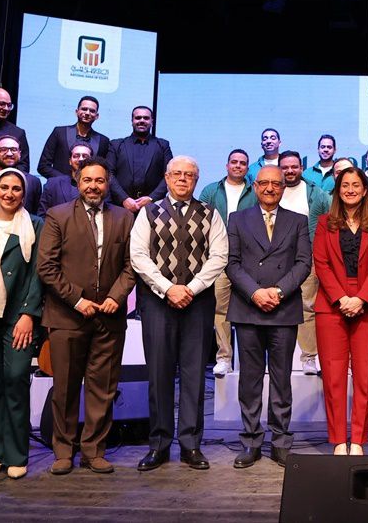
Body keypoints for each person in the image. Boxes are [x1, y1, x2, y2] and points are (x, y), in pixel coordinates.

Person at [36, 156, 136, 475]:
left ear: (108, 184)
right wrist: (77, 300)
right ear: (78, 182)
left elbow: (132, 264)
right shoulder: (58, 215)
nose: (94, 186)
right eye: (88, 180)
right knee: (65, 388)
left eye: (100, 180)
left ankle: (94, 450)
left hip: (109, 318)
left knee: (102, 388)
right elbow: (46, 267)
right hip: (67, 316)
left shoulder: (124, 217)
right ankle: (63, 451)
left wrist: (116, 297)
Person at [131, 156, 229, 471]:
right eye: (177, 174)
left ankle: (190, 445)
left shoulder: (210, 213)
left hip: (197, 304)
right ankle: (159, 445)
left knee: (194, 376)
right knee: (159, 375)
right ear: (167, 177)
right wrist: (168, 288)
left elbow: (219, 256)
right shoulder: (148, 212)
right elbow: (138, 255)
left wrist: (191, 288)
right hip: (158, 303)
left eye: (189, 175)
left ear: (196, 180)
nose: (183, 179)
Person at [225, 165, 312, 468]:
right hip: (248, 307)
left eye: (276, 183)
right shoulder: (237, 218)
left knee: (281, 379)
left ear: (284, 188)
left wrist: (278, 291)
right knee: (249, 380)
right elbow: (232, 263)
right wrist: (255, 293)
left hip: (283, 308)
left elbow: (303, 263)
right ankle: (250, 441)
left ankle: (280, 441)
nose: (270, 188)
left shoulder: (298, 221)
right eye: (264, 183)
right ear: (255, 186)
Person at [312, 167, 368, 455]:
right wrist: (341, 298)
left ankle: (357, 439)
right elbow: (321, 263)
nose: (350, 190)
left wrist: (361, 299)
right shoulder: (325, 222)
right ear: (338, 190)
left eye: (356, 185)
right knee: (333, 376)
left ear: (365, 189)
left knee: (364, 375)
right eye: (345, 185)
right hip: (332, 303)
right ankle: (338, 440)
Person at [0, 168, 44, 480]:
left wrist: (29, 314)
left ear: (24, 194)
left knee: (16, 380)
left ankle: (16, 454)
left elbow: (39, 274)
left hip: (18, 318)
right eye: (4, 187)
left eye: (16, 188)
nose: (9, 193)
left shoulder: (36, 226)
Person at [198, 149, 256, 377]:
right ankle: (224, 358)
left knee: (250, 309)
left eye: (242, 163)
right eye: (234, 162)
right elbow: (200, 222)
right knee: (220, 309)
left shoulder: (255, 191)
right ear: (227, 165)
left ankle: (250, 360)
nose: (238, 166)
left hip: (248, 260)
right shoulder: (211, 190)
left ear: (247, 167)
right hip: (220, 258)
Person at [277, 150, 327, 374]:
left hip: (306, 256)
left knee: (307, 305)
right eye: (285, 167)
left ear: (301, 168)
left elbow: (328, 224)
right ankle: (278, 358)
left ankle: (309, 357)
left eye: (294, 167)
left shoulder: (315, 193)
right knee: (274, 303)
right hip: (275, 257)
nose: (290, 171)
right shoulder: (271, 189)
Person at [107, 106, 173, 212]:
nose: (142, 120)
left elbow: (170, 174)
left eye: (146, 118)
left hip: (153, 208)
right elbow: (108, 174)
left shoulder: (163, 145)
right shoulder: (116, 145)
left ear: (152, 121)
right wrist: (123, 199)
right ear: (132, 121)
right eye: (138, 118)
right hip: (120, 207)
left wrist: (152, 198)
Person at [37, 96, 110, 179]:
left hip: (90, 186)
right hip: (60, 186)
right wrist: (65, 181)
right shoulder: (59, 132)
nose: (87, 113)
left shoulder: (103, 141)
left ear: (97, 116)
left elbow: (104, 171)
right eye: (84, 109)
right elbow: (43, 166)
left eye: (92, 111)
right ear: (76, 112)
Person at [39, 143, 92, 214]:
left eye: (85, 156)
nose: (81, 159)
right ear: (70, 161)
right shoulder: (53, 184)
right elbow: (42, 215)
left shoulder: (100, 185)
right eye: (76, 156)